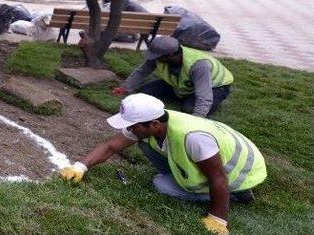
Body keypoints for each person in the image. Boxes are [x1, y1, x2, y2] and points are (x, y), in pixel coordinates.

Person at [60, 93, 266, 235]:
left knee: (161, 184)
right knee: (146, 145)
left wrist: (218, 219)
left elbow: (218, 177)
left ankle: (238, 194)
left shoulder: (193, 138)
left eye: (133, 126)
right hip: (216, 158)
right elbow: (110, 146)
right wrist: (80, 167)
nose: (130, 130)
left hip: (240, 172)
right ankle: (189, 178)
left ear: (154, 124)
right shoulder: (155, 123)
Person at [113, 36, 233, 118]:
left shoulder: (198, 65)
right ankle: (182, 95)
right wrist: (125, 88)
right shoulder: (160, 57)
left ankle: (192, 99)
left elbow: (204, 96)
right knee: (143, 93)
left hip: (215, 86)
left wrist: (197, 119)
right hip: (181, 84)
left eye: (157, 55)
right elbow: (142, 71)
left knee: (189, 108)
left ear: (170, 54)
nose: (153, 57)